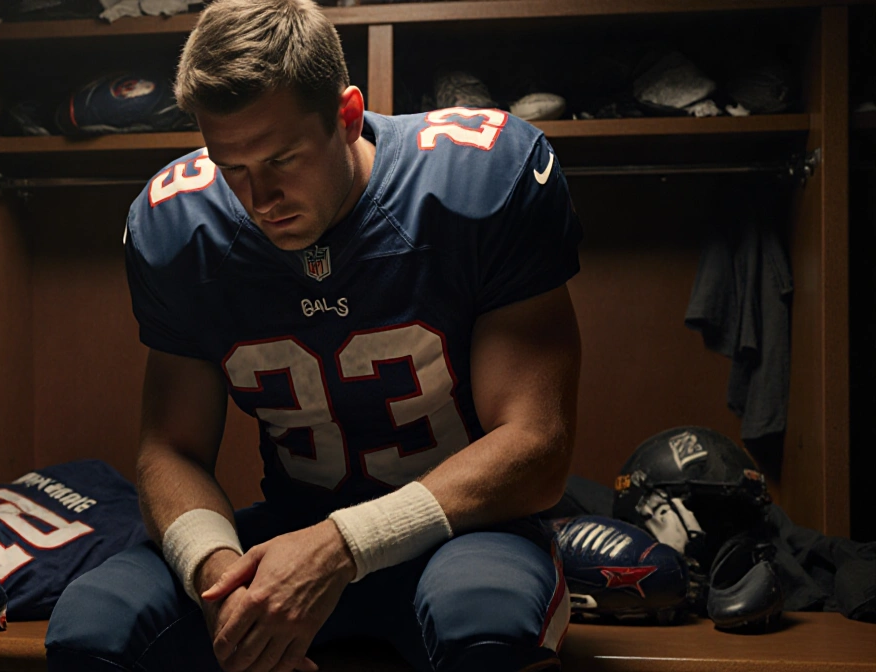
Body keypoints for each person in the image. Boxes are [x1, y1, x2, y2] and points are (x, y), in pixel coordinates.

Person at [45, 1, 583, 670]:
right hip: (293, 529)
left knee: (484, 621)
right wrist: (221, 581)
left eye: (282, 159)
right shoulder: (178, 225)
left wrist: (341, 547)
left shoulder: (479, 177)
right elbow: (170, 450)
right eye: (231, 167)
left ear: (348, 114)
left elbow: (537, 446)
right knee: (93, 624)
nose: (259, 197)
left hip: (464, 531)